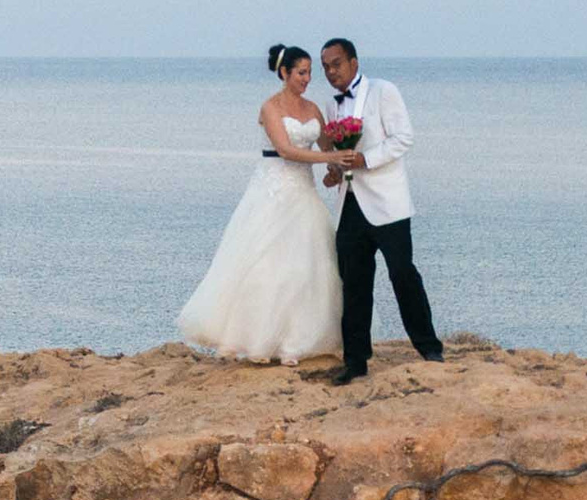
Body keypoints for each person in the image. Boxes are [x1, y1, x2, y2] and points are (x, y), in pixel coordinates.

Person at [176, 45, 347, 365]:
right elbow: (286, 150)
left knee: (305, 268)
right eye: (301, 73)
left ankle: (296, 341)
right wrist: (328, 156)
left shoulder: (313, 109)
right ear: (284, 73)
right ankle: (255, 337)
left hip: (304, 192)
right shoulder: (270, 108)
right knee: (265, 265)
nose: (307, 79)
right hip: (273, 191)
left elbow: (327, 147)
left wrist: (334, 169)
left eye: (310, 73)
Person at [317, 37, 442, 384]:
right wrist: (335, 171)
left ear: (354, 63)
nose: (331, 72)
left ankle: (429, 347)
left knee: (403, 274)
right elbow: (338, 154)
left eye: (336, 64)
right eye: (325, 67)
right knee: (354, 283)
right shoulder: (330, 105)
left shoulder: (384, 91)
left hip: (388, 204)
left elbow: (403, 138)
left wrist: (366, 159)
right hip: (350, 203)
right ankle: (355, 361)